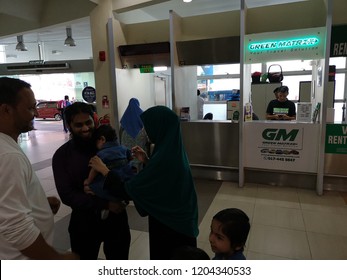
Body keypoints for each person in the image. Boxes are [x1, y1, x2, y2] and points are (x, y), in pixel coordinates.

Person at [89, 106, 199, 260]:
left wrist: (105, 171)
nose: (146, 132)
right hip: (180, 220)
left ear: (159, 127)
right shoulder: (171, 149)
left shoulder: (164, 159)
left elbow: (129, 190)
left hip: (169, 226)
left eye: (148, 127)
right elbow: (162, 179)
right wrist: (147, 160)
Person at [0, 77, 78, 260]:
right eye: (30, 108)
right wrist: (54, 260)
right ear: (6, 110)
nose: (35, 112)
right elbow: (15, 226)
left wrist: (37, 202)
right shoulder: (8, 156)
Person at [52, 102, 131, 260]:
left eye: (88, 122)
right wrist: (105, 204)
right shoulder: (62, 156)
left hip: (116, 219)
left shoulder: (107, 147)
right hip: (84, 222)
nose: (85, 128)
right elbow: (67, 195)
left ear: (94, 120)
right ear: (69, 126)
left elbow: (126, 177)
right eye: (78, 125)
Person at [84, 124, 134, 219]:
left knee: (93, 187)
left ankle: (105, 208)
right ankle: (122, 200)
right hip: (124, 179)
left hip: (109, 183)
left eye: (96, 142)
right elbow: (130, 158)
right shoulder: (123, 148)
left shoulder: (102, 154)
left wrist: (88, 181)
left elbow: (94, 169)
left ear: (102, 139)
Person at [119, 98, 149, 173]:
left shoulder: (124, 124)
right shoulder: (143, 125)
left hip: (126, 159)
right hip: (140, 159)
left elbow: (120, 140)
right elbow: (148, 141)